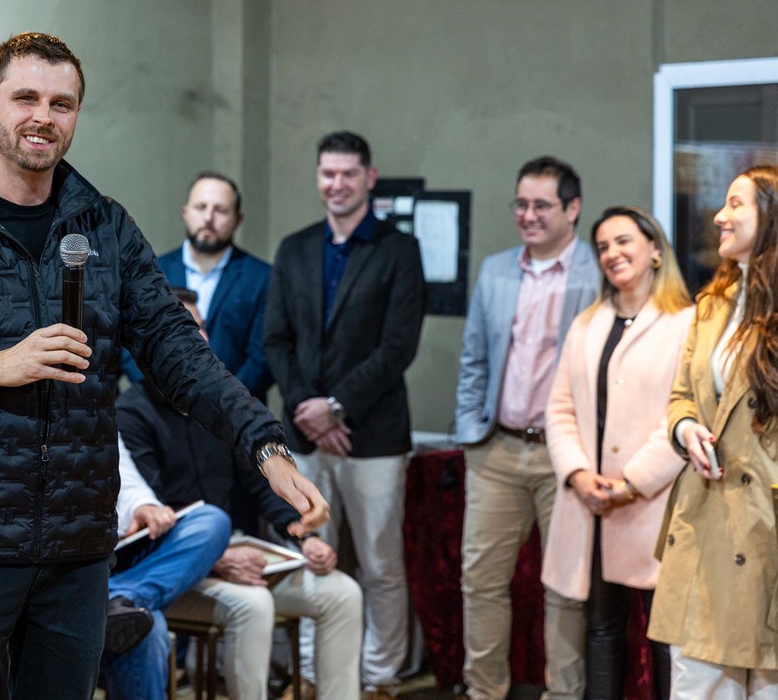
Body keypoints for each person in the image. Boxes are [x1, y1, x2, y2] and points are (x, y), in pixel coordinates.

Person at [0, 31, 326, 700]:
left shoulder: (106, 229)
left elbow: (183, 355)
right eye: (25, 98)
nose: (43, 117)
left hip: (77, 553)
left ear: (77, 115)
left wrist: (264, 444)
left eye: (61, 104)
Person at [135, 287, 363, 700]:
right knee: (254, 605)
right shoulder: (131, 413)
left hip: (237, 549)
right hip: (175, 562)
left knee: (343, 594)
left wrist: (306, 536)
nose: (198, 337)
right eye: (184, 327)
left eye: (200, 326)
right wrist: (215, 557)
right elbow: (147, 515)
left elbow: (261, 483)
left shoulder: (219, 407)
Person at [264, 130, 425, 700]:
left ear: (369, 178)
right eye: (328, 173)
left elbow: (398, 346)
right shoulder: (295, 248)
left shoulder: (399, 249)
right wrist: (308, 409)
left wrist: (336, 408)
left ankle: (380, 677)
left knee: (380, 564)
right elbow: (277, 340)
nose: (337, 184)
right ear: (318, 177)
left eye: (348, 174)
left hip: (373, 436)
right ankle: (312, 673)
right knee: (312, 557)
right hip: (305, 438)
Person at [454, 156, 599, 700]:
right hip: (496, 450)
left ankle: (563, 695)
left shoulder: (598, 273)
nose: (528, 215)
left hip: (566, 459)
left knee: (565, 588)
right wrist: (470, 428)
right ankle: (484, 691)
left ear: (572, 208)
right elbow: (474, 359)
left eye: (542, 205)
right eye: (521, 204)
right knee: (481, 582)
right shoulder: (496, 271)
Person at [542, 206, 693, 699]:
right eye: (603, 246)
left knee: (665, 636)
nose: (612, 253)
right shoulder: (588, 323)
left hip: (654, 502)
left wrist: (632, 482)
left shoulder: (686, 323)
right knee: (601, 628)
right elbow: (559, 408)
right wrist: (578, 475)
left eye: (623, 241)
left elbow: (687, 414)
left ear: (655, 250)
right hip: (592, 504)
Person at [649, 166, 778, 697]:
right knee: (697, 683)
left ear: (770, 217)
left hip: (767, 528)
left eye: (736, 204)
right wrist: (685, 430)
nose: (720, 216)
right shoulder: (711, 304)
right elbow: (682, 395)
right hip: (706, 520)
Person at [102, 434, 232, 700]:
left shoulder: (97, 413)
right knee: (149, 628)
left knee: (212, 521)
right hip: (81, 562)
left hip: (131, 551)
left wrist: (144, 505)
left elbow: (123, 471)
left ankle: (123, 598)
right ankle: (121, 601)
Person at [122, 171, 272, 400]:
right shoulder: (151, 271)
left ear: (238, 219)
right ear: (186, 212)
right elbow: (129, 345)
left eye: (220, 210)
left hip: (235, 411)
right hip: (159, 409)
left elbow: (261, 358)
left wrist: (224, 403)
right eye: (201, 207)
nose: (209, 217)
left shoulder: (262, 277)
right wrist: (165, 397)